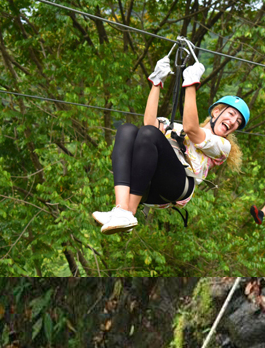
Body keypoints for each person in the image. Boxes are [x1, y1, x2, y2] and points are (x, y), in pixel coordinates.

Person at [93, 39, 248, 234]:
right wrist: (156, 83)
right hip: (152, 181)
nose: (234, 121)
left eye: (238, 122)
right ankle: (121, 209)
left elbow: (192, 129)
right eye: (231, 114)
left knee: (150, 134)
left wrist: (190, 84)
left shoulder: (222, 147)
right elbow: (150, 123)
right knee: (128, 130)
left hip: (179, 184)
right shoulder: (179, 129)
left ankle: (128, 211)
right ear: (216, 112)